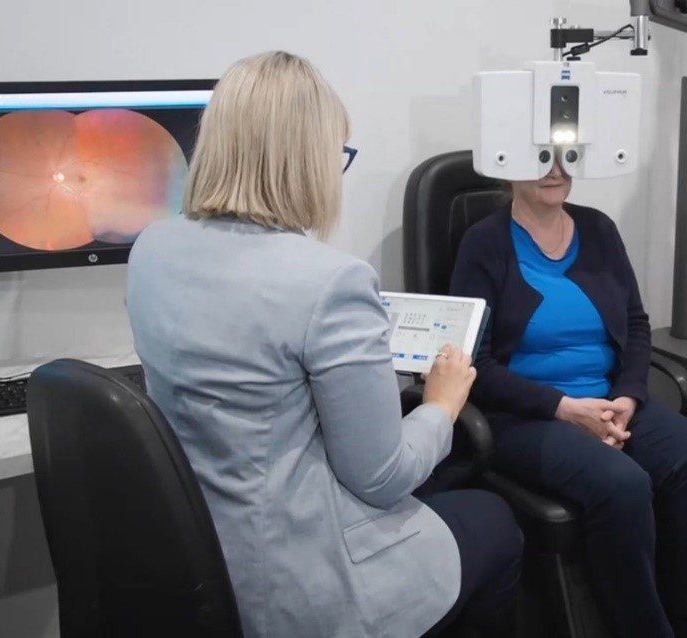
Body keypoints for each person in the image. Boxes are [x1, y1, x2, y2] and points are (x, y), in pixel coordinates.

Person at [126, 51, 522, 637]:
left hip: (200, 553)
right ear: (304, 161)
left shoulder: (152, 249)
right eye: (336, 156)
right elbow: (382, 477)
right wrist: (442, 402)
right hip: (296, 581)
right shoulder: (329, 281)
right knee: (493, 519)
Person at [448, 158, 687, 638]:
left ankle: (684, 620)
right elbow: (474, 362)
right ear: (507, 165)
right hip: (525, 414)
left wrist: (628, 397)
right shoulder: (485, 243)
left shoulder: (599, 229)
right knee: (621, 484)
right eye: (538, 158)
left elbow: (636, 324)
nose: (554, 169)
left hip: (607, 401)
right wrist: (563, 409)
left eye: (564, 157)